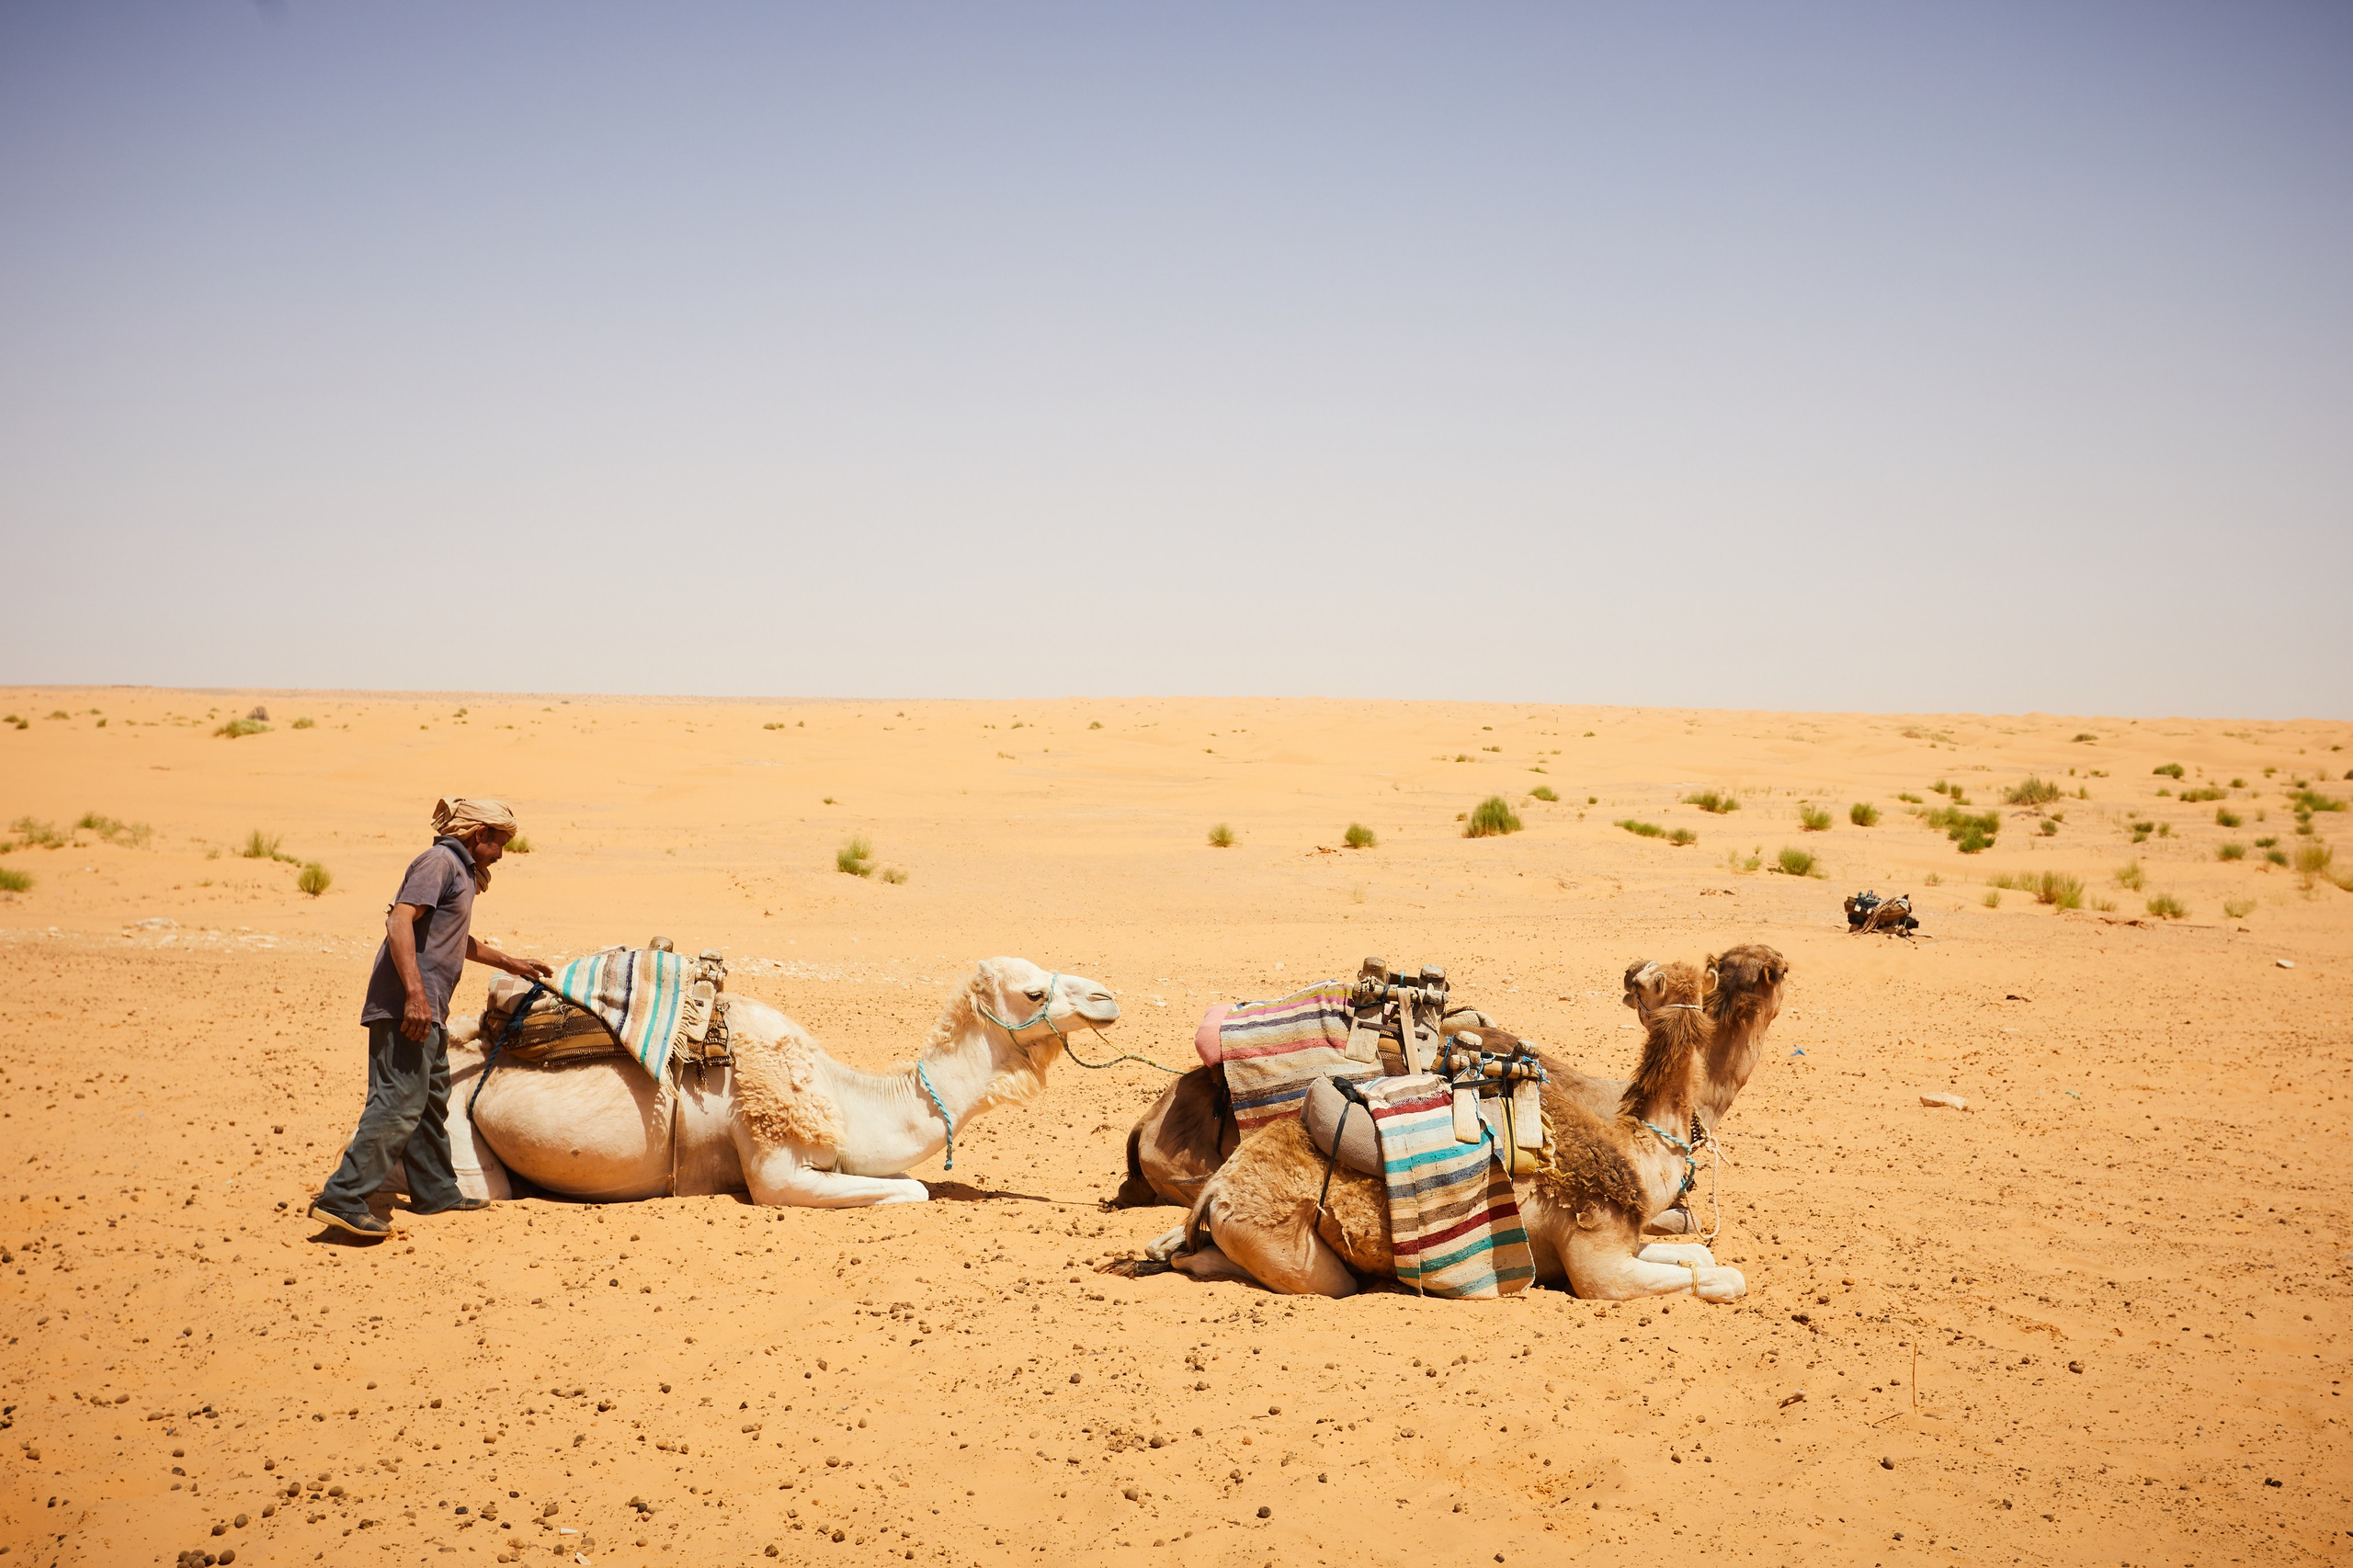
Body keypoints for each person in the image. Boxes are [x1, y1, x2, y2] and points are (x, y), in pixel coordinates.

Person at [309, 797, 552, 1239]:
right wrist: (415, 996)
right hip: (410, 1008)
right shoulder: (439, 861)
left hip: (430, 1008)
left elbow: (456, 938)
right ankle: (342, 1197)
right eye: (500, 843)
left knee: (430, 1097)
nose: (502, 854)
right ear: (480, 835)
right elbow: (400, 921)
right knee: (399, 1101)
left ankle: (436, 1190)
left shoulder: (459, 871)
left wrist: (510, 962)